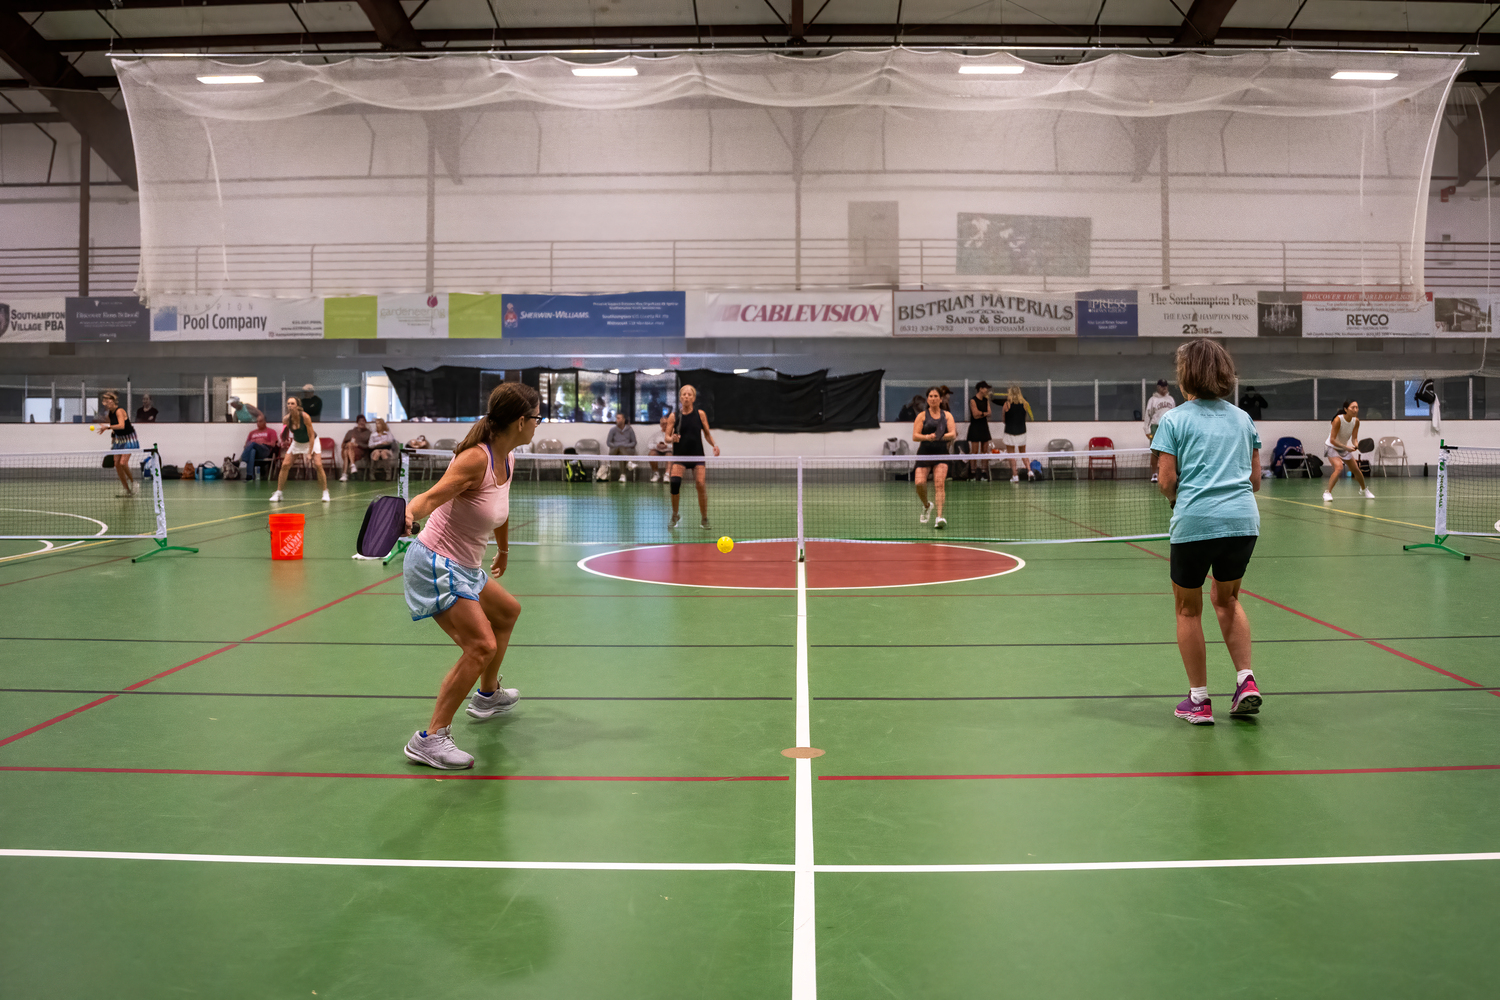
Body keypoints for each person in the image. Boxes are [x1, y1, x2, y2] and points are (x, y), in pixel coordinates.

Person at [400, 383, 540, 770]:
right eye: (537, 418)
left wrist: (505, 549)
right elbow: (431, 497)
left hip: (467, 565)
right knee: (480, 646)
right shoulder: (474, 459)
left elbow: (500, 508)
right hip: (435, 562)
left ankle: (487, 696)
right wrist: (409, 512)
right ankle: (430, 739)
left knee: (507, 612)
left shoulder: (506, 456)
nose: (538, 425)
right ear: (520, 421)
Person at [1151, 339, 1263, 726]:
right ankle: (1246, 681)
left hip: (1195, 523)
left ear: (1187, 377)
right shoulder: (1243, 419)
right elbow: (1256, 480)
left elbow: (1167, 481)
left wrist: (1177, 499)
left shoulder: (1174, 420)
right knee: (1228, 600)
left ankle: (1198, 701)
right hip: (1242, 523)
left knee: (1188, 607)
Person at [666, 384, 720, 529]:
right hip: (680, 456)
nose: (686, 397)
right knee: (675, 483)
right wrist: (673, 439)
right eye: (684, 394)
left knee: (700, 484)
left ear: (694, 398)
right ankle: (675, 515)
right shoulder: (674, 416)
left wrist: (714, 445)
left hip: (697, 456)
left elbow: (707, 434)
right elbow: (666, 437)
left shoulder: (700, 414)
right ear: (680, 397)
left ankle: (704, 518)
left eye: (689, 394)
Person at [269, 397, 329, 503]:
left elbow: (311, 435)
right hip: (297, 443)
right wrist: (284, 440)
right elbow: (285, 432)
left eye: (292, 403)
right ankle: (279, 493)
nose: (290, 405)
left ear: (297, 405)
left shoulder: (305, 417)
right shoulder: (286, 419)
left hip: (312, 441)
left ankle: (325, 492)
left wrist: (309, 453)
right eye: (288, 403)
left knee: (318, 465)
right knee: (285, 465)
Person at [912, 386, 956, 529]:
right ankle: (926, 505)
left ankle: (939, 517)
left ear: (940, 399)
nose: (933, 398)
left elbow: (953, 434)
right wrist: (927, 437)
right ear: (927, 399)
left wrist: (938, 437)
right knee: (919, 483)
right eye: (930, 396)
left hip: (941, 453)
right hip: (924, 453)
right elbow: (915, 436)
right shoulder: (922, 416)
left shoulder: (947, 416)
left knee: (939, 483)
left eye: (936, 396)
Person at [1323, 399, 1375, 503]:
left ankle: (1364, 489)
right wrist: (1346, 448)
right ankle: (1327, 493)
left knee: (1356, 469)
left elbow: (1354, 438)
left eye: (1357, 407)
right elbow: (1332, 440)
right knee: (1339, 468)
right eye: (1353, 407)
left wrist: (1356, 445)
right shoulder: (1338, 420)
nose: (1355, 410)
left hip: (1343, 447)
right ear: (1346, 409)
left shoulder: (1356, 421)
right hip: (1331, 447)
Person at [93, 390, 138, 497]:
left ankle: (134, 483)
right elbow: (115, 429)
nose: (106, 402)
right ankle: (127, 490)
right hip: (118, 439)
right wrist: (113, 441)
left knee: (123, 463)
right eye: (104, 401)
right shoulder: (110, 414)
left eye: (108, 400)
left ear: (113, 400)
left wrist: (107, 427)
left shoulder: (119, 411)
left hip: (129, 439)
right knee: (117, 464)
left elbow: (121, 425)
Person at [1000, 384, 1035, 483]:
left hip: (1010, 432)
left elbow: (1004, 419)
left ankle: (1015, 475)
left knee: (1011, 455)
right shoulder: (1025, 404)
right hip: (1021, 431)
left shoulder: (1007, 404)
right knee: (1023, 452)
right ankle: (1029, 471)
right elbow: (1025, 418)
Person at [1144, 379, 1177, 483]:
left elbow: (1174, 414)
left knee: (1169, 452)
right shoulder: (1152, 400)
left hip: (1168, 427)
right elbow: (1147, 415)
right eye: (1162, 386)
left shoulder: (1171, 399)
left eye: (1166, 386)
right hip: (1156, 427)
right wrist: (1147, 430)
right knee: (1155, 452)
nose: (1164, 388)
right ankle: (1154, 474)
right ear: (1158, 387)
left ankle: (1168, 474)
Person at [238, 413, 279, 480]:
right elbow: (246, 445)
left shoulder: (271, 431)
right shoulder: (252, 433)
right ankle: (249, 475)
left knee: (253, 443)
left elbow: (273, 444)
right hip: (255, 451)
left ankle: (241, 460)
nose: (258, 423)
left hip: (265, 450)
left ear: (265, 422)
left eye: (260, 421)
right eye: (257, 421)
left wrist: (261, 443)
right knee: (252, 451)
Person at [966, 381, 993, 479]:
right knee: (974, 451)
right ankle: (972, 472)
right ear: (981, 389)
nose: (987, 390)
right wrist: (983, 413)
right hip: (975, 428)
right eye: (986, 388)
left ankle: (984, 472)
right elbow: (975, 414)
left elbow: (989, 413)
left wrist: (981, 413)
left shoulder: (986, 400)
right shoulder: (973, 400)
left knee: (984, 451)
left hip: (984, 427)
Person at [605, 412, 637, 482]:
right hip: (614, 451)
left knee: (621, 453)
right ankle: (629, 462)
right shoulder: (613, 430)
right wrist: (617, 446)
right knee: (620, 447)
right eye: (617, 418)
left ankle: (622, 476)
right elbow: (608, 442)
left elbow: (634, 442)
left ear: (623, 420)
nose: (617, 420)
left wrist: (625, 446)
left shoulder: (630, 430)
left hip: (627, 450)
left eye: (619, 418)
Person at [340, 414, 371, 482]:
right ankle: (352, 465)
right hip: (348, 450)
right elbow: (343, 443)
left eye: (363, 421)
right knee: (347, 447)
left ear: (365, 422)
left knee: (347, 451)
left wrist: (358, 445)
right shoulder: (351, 432)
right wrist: (347, 445)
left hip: (360, 452)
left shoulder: (368, 433)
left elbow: (369, 446)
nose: (361, 423)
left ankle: (344, 474)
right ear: (357, 422)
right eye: (359, 421)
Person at [647, 413, 673, 483]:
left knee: (669, 456)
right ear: (661, 425)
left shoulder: (673, 434)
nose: (665, 425)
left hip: (668, 451)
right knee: (651, 454)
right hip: (658, 450)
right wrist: (657, 446)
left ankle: (667, 475)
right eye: (663, 423)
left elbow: (676, 446)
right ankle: (656, 473)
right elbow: (649, 445)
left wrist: (667, 446)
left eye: (666, 423)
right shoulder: (656, 435)